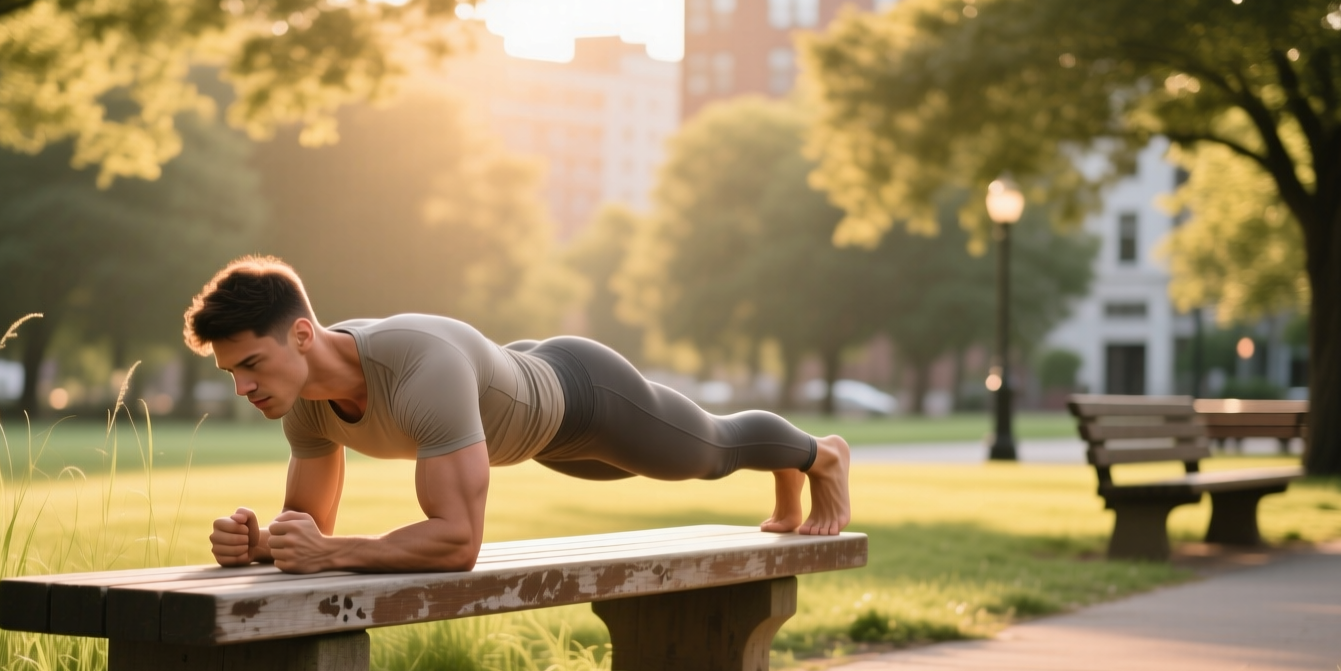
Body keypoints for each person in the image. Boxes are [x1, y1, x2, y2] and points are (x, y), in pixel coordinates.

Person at [184, 256, 852, 574]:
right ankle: (786, 467)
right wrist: (264, 544)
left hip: (586, 396)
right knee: (701, 457)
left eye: (252, 365)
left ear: (302, 335)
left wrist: (330, 553)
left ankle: (819, 456)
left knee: (711, 451)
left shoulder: (421, 368)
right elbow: (309, 530)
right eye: (231, 373)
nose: (243, 388)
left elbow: (457, 544)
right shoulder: (304, 405)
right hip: (538, 437)